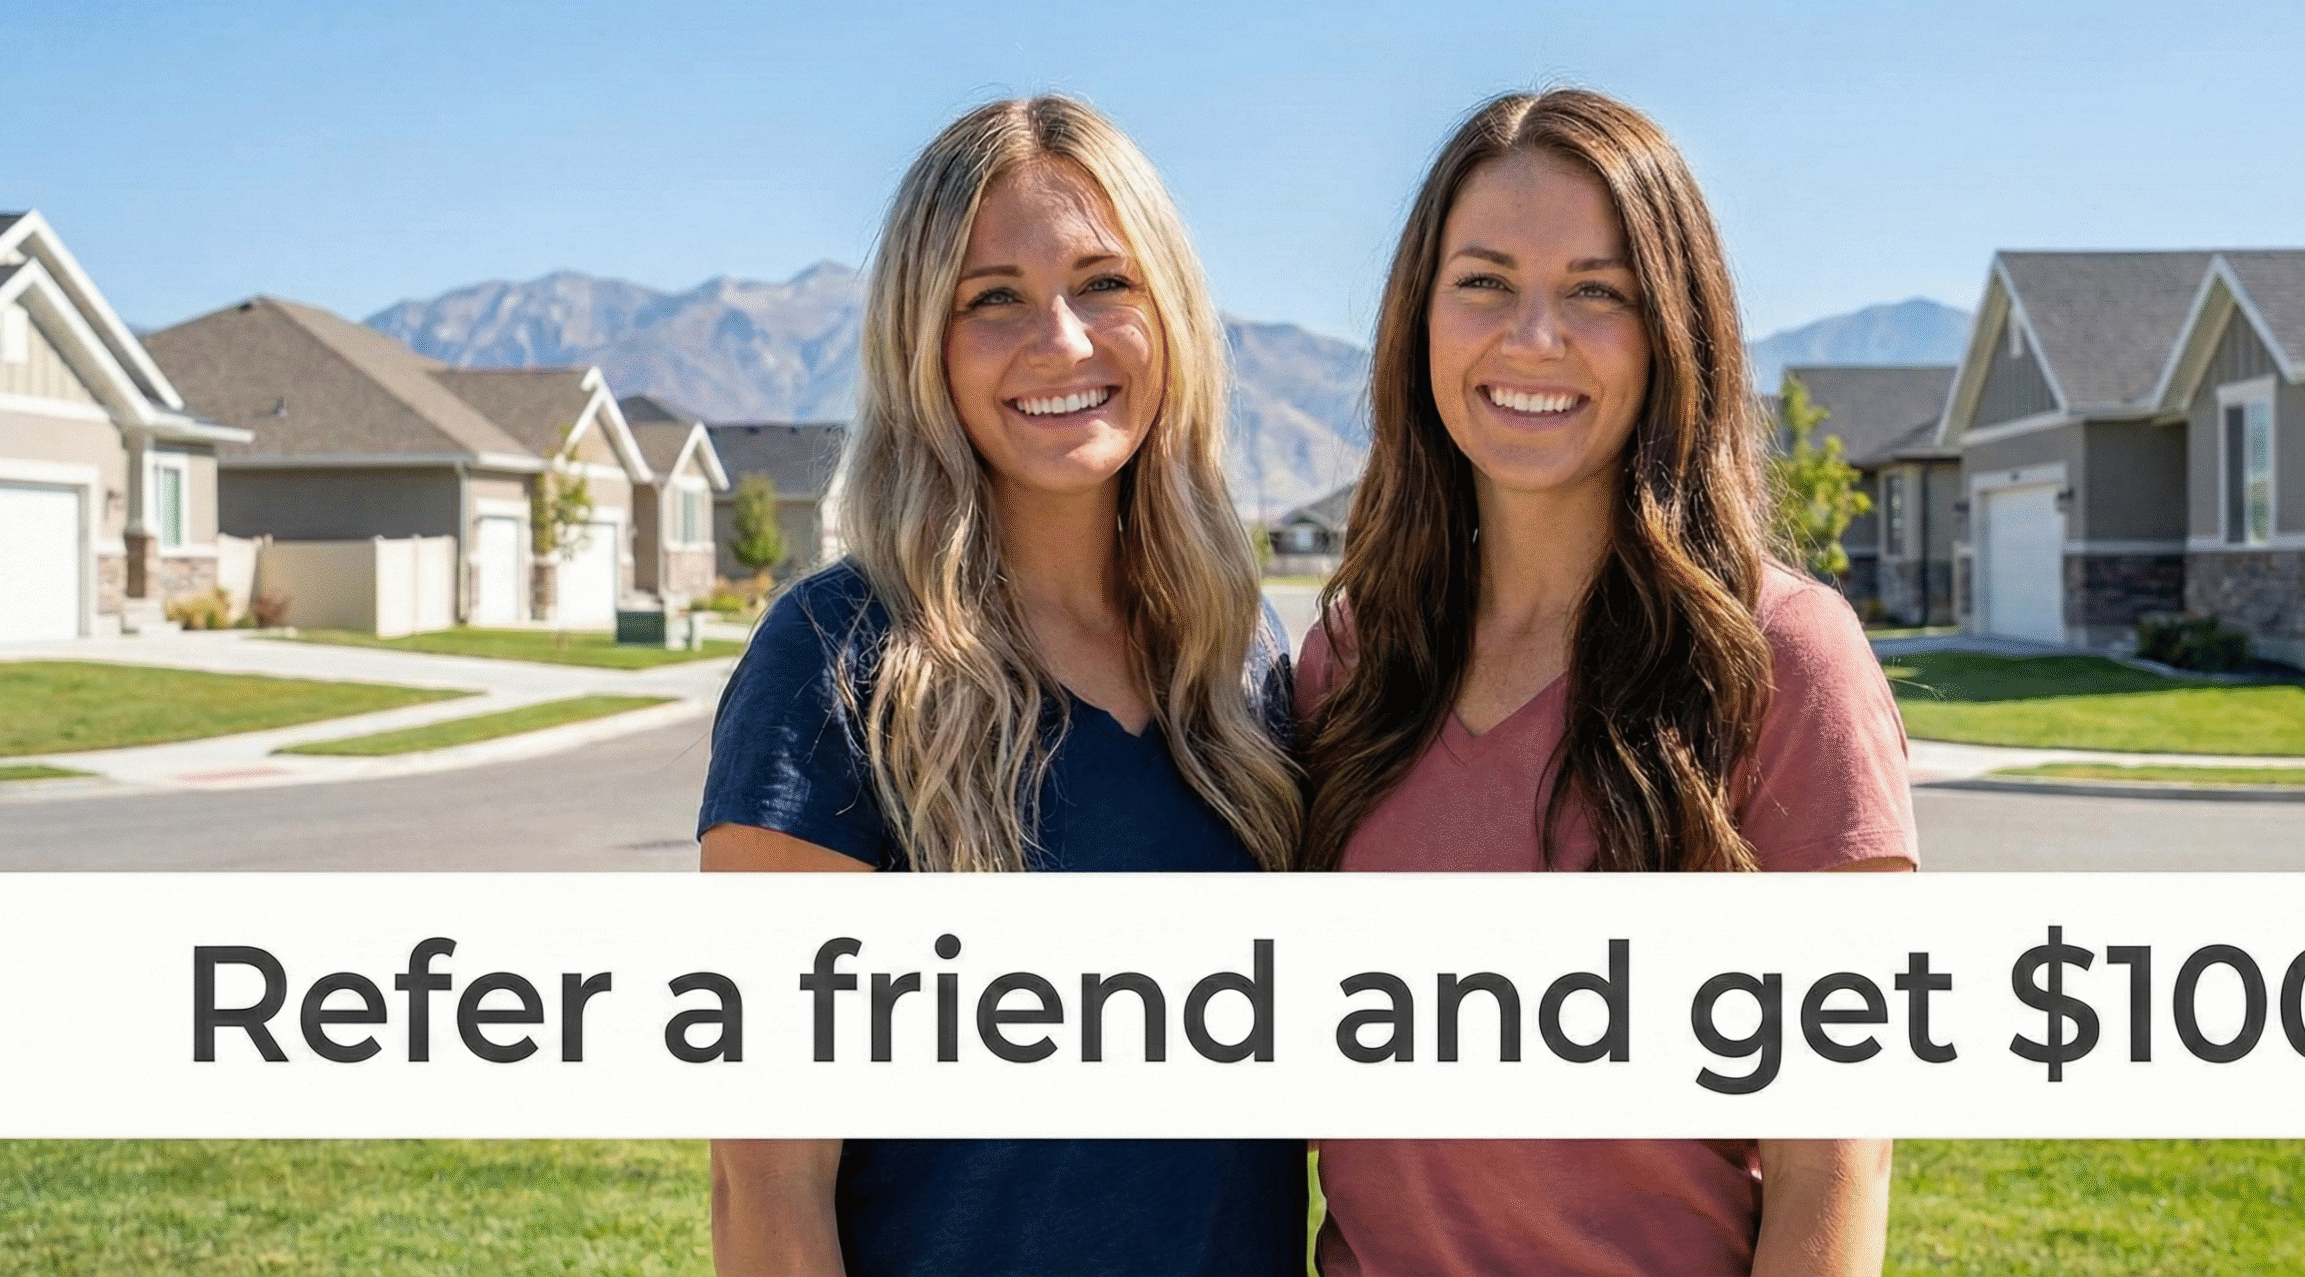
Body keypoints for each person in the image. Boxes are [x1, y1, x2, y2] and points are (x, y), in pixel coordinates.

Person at [1296, 89, 1917, 1277]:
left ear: (1673, 329)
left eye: (1598, 290)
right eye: (1482, 281)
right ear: (1417, 319)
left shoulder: (1781, 657)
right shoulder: (1350, 664)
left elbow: (1833, 1156)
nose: (1534, 338)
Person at [697, 96, 1304, 1277]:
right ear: (923, 342)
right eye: (993, 299)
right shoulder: (836, 663)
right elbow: (765, 1182)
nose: (1062, 341)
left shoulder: (1240, 661)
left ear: (1169, 311)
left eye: (1103, 284)